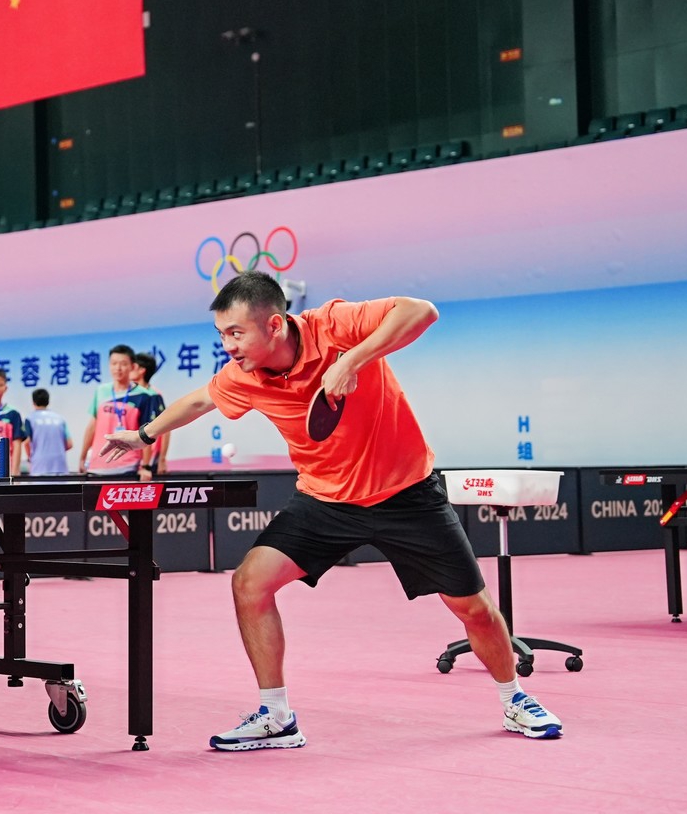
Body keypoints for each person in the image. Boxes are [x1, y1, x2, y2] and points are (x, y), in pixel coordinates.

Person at [100, 271, 563, 747]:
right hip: (324, 501)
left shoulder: (333, 325)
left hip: (406, 494)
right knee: (250, 583)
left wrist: (353, 360)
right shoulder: (243, 376)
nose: (227, 345)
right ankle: (277, 716)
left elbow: (421, 311)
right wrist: (143, 435)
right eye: (221, 334)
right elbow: (201, 400)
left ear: (274, 325)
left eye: (236, 333)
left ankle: (514, 699)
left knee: (473, 609)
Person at [79, 343, 161, 479]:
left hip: (128, 467)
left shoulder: (144, 395)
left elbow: (147, 432)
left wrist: (145, 466)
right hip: (97, 466)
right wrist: (82, 457)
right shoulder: (101, 391)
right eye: (114, 363)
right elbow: (92, 426)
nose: (118, 368)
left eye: (123, 364)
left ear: (132, 366)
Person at [131, 351, 168, 476]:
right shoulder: (125, 395)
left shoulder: (154, 395)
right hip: (129, 459)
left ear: (142, 370)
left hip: (149, 460)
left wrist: (162, 458)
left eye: (133, 366)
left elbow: (166, 429)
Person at [24, 388, 72, 476]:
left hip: (39, 465)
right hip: (60, 465)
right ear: (48, 401)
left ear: (33, 402)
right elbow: (69, 444)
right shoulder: (60, 419)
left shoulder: (30, 419)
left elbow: (27, 442)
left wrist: (30, 457)